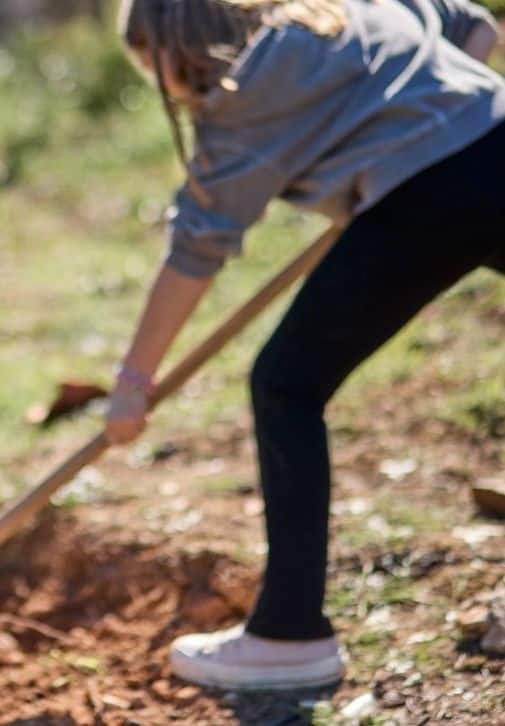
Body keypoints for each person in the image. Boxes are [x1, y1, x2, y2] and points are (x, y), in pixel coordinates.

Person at [108, 0, 505, 690]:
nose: (160, 85)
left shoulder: (239, 97)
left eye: (150, 67)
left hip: (432, 197)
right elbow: (475, 26)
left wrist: (132, 382)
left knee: (285, 385)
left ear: (172, 49)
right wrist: (423, 119)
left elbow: (197, 247)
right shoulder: (348, 9)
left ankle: (288, 636)